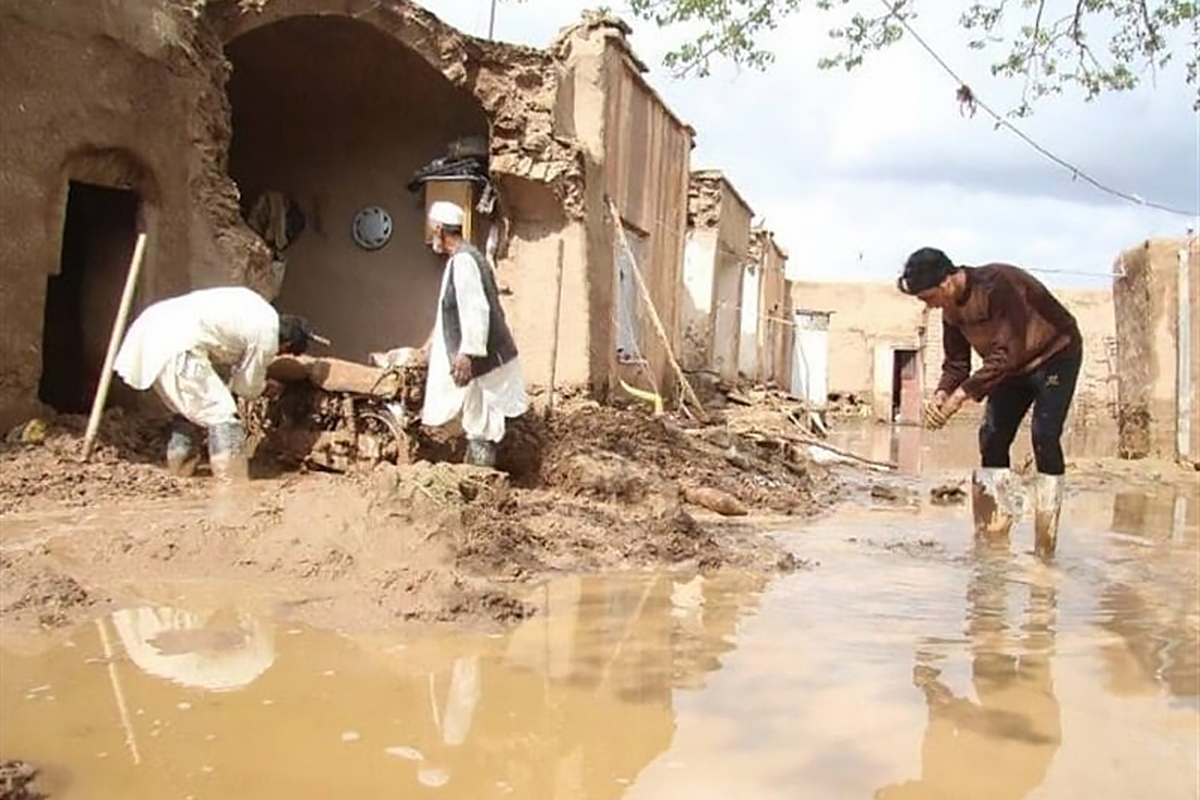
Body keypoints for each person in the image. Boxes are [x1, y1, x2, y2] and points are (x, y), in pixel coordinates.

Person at [897, 247, 1082, 556]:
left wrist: (961, 396)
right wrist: (943, 392)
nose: (929, 306)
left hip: (1054, 359)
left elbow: (1007, 352)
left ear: (946, 282)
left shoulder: (999, 285)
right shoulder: (950, 313)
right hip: (1009, 370)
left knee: (1044, 436)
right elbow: (957, 364)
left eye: (928, 297)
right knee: (992, 438)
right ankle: (993, 541)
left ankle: (1045, 544)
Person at [114, 286, 315, 480]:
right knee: (223, 415)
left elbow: (225, 352)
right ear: (286, 344)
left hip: (153, 327)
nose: (277, 354)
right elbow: (246, 386)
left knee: (193, 410)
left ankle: (179, 468)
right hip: (178, 344)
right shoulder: (267, 335)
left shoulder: (255, 306)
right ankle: (231, 483)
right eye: (283, 352)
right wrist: (265, 387)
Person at [418, 201, 528, 467]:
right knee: (477, 418)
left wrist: (468, 353)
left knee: (482, 421)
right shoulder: (465, 258)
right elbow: (450, 312)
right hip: (484, 359)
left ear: (441, 229)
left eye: (433, 230)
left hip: (484, 359)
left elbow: (476, 309)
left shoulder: (464, 261)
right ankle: (477, 474)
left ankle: (482, 478)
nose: (432, 235)